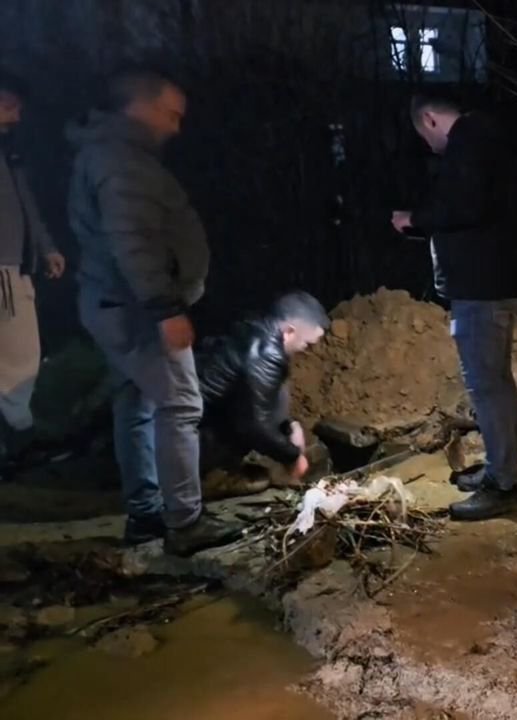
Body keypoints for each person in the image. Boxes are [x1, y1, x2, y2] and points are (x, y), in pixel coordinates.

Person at [67, 68, 240, 556]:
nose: (176, 127)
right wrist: (165, 308)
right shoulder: (121, 163)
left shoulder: (107, 153)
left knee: (137, 403)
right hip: (136, 309)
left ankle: (145, 514)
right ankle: (185, 522)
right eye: (171, 115)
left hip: (114, 302)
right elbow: (134, 241)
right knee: (181, 404)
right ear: (140, 107)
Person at [390, 93, 517, 521]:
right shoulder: (484, 141)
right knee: (494, 383)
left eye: (424, 136)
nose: (430, 147)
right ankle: (500, 469)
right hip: (490, 283)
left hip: (482, 289)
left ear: (430, 119)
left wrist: (414, 218)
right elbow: (469, 209)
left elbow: (462, 206)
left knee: (488, 385)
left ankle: (503, 484)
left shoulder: (469, 143)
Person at [197, 291, 328, 495]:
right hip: (192, 433)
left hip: (196, 418)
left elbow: (264, 400)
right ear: (289, 331)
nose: (308, 350)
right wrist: (293, 456)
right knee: (260, 477)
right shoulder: (265, 355)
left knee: (276, 395)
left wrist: (289, 426)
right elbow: (253, 425)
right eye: (307, 344)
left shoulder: (255, 329)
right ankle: (210, 477)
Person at [0, 69, 66, 474]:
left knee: (18, 354)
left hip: (14, 265)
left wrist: (45, 247)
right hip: (4, 268)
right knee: (18, 357)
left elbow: (25, 203)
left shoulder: (10, 152)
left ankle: (17, 440)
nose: (17, 115)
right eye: (10, 106)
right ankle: (19, 438)